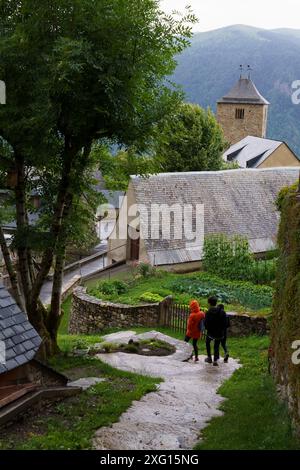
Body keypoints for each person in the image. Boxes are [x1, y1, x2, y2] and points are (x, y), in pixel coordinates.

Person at [205, 296, 227, 366]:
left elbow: (206, 323)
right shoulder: (222, 312)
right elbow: (225, 323)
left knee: (207, 342)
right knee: (216, 346)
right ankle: (215, 361)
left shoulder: (208, 312)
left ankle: (209, 358)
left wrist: (208, 329)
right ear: (216, 302)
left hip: (210, 333)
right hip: (219, 333)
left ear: (209, 303)